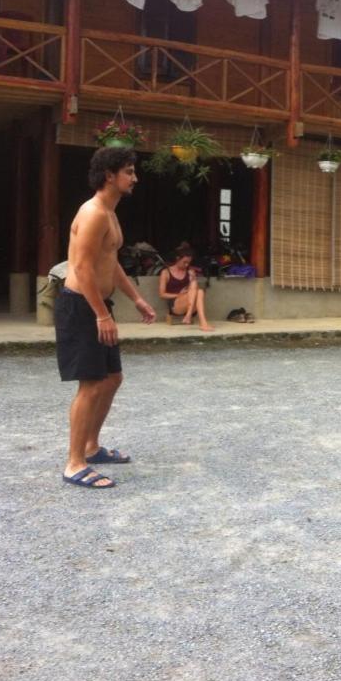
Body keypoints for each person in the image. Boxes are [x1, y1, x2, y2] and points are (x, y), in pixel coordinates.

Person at [55, 147, 156, 489]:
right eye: (129, 171)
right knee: (92, 383)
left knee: (112, 378)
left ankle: (91, 447)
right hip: (80, 306)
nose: (134, 177)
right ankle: (74, 463)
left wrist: (137, 299)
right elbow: (81, 267)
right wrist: (101, 315)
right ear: (110, 175)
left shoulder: (111, 214)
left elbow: (109, 263)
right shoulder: (95, 212)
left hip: (97, 305)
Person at [159, 242, 214, 331]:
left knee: (199, 290)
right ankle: (202, 323)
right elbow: (162, 294)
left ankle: (191, 316)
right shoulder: (166, 272)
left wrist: (189, 286)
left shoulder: (190, 271)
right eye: (184, 262)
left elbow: (193, 289)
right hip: (176, 306)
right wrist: (179, 294)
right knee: (198, 289)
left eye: (188, 263)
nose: (186, 265)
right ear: (177, 259)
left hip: (190, 305)